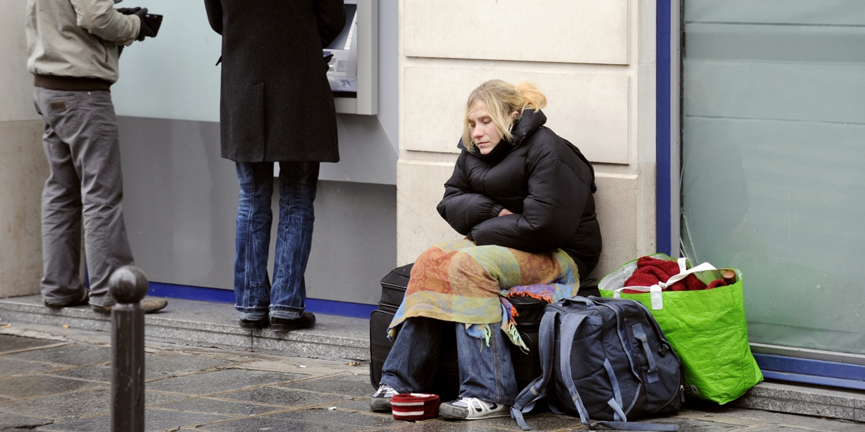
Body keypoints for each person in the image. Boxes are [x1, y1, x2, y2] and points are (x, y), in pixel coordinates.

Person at [370, 80, 602, 420]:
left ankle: (489, 392)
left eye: (485, 121)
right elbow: (450, 201)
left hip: (560, 254)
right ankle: (399, 382)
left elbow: (544, 226)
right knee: (431, 260)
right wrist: (493, 214)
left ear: (512, 116)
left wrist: (480, 230)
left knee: (466, 265)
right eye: (472, 123)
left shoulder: (549, 149)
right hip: (504, 241)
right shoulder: (474, 151)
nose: (476, 132)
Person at [203, 1, 346, 331]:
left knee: (252, 197)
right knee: (296, 197)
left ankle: (251, 305)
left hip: (245, 78)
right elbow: (332, 18)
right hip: (299, 81)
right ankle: (286, 306)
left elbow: (217, 19)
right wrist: (297, 35)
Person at [26, 0, 167, 314]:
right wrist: (135, 26)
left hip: (49, 87)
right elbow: (95, 15)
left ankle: (59, 287)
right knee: (102, 194)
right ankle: (114, 291)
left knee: (61, 192)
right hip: (82, 92)